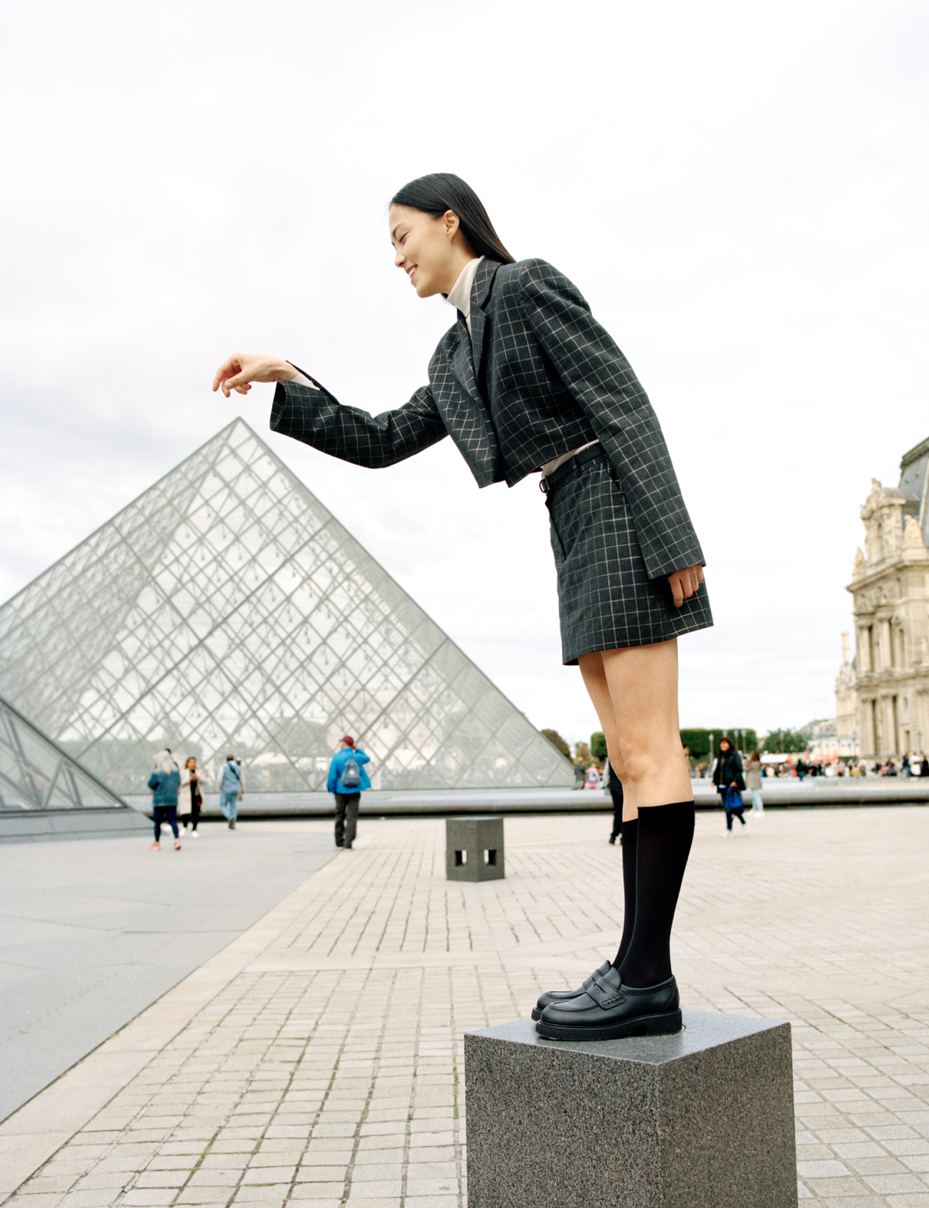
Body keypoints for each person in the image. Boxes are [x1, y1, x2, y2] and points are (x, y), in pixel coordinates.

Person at [213, 173, 711, 1042]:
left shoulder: (527, 287)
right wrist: (286, 379)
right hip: (568, 511)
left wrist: (674, 543)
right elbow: (378, 440)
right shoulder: (450, 355)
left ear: (452, 223)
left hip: (615, 500)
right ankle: (637, 967)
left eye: (404, 236)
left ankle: (645, 978)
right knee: (627, 761)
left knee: (646, 748)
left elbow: (623, 404)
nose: (397, 256)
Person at [326, 734, 371, 849]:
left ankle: (339, 840)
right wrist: (357, 749)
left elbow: (332, 775)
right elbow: (367, 758)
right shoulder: (356, 757)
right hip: (355, 789)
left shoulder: (337, 757)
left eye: (342, 742)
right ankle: (348, 841)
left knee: (339, 815)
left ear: (344, 744)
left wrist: (331, 788)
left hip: (340, 791)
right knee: (352, 816)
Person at [147, 749, 182, 852]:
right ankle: (177, 840)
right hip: (172, 800)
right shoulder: (175, 772)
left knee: (157, 822)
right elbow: (178, 783)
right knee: (172, 820)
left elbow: (151, 785)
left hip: (159, 800)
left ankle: (157, 843)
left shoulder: (157, 772)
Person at [712, 737, 746, 835]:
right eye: (721, 743)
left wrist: (735, 781)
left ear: (729, 744)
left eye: (725, 743)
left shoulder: (735, 755)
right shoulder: (720, 756)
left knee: (729, 808)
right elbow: (717, 770)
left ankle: (729, 829)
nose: (723, 745)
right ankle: (742, 821)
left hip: (731, 785)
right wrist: (714, 781)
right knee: (729, 807)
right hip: (722, 785)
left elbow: (739, 770)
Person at [178, 755, 206, 838]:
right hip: (186, 795)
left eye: (194, 762)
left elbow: (205, 781)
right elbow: (179, 783)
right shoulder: (183, 773)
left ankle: (194, 829)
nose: (193, 764)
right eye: (191, 762)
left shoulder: (199, 772)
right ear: (187, 763)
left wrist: (198, 778)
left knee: (195, 813)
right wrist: (189, 780)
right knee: (185, 813)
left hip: (196, 795)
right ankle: (184, 826)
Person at [219, 755, 244, 828]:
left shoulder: (224, 767)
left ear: (226, 759)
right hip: (235, 789)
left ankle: (229, 817)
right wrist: (242, 790)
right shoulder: (239, 767)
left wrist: (220, 787)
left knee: (223, 805)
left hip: (226, 788)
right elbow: (242, 779)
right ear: (233, 759)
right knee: (233, 806)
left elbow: (220, 778)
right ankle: (233, 824)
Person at [603, 756, 624, 844]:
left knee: (617, 812)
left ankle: (613, 836)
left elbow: (605, 775)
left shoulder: (610, 757)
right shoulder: (625, 755)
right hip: (624, 788)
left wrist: (607, 786)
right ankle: (623, 836)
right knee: (624, 811)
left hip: (614, 788)